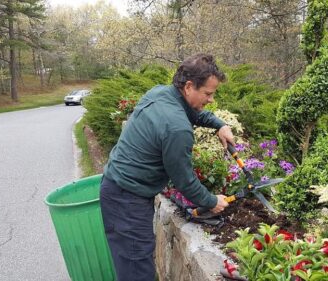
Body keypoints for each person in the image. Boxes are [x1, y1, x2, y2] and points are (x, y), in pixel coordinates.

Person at [100, 53, 234, 281]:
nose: (211, 100)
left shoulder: (161, 93)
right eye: (208, 94)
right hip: (128, 202)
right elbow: (184, 181)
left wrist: (219, 124)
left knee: (130, 266)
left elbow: (195, 114)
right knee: (137, 273)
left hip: (115, 189)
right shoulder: (177, 128)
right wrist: (212, 201)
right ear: (190, 86)